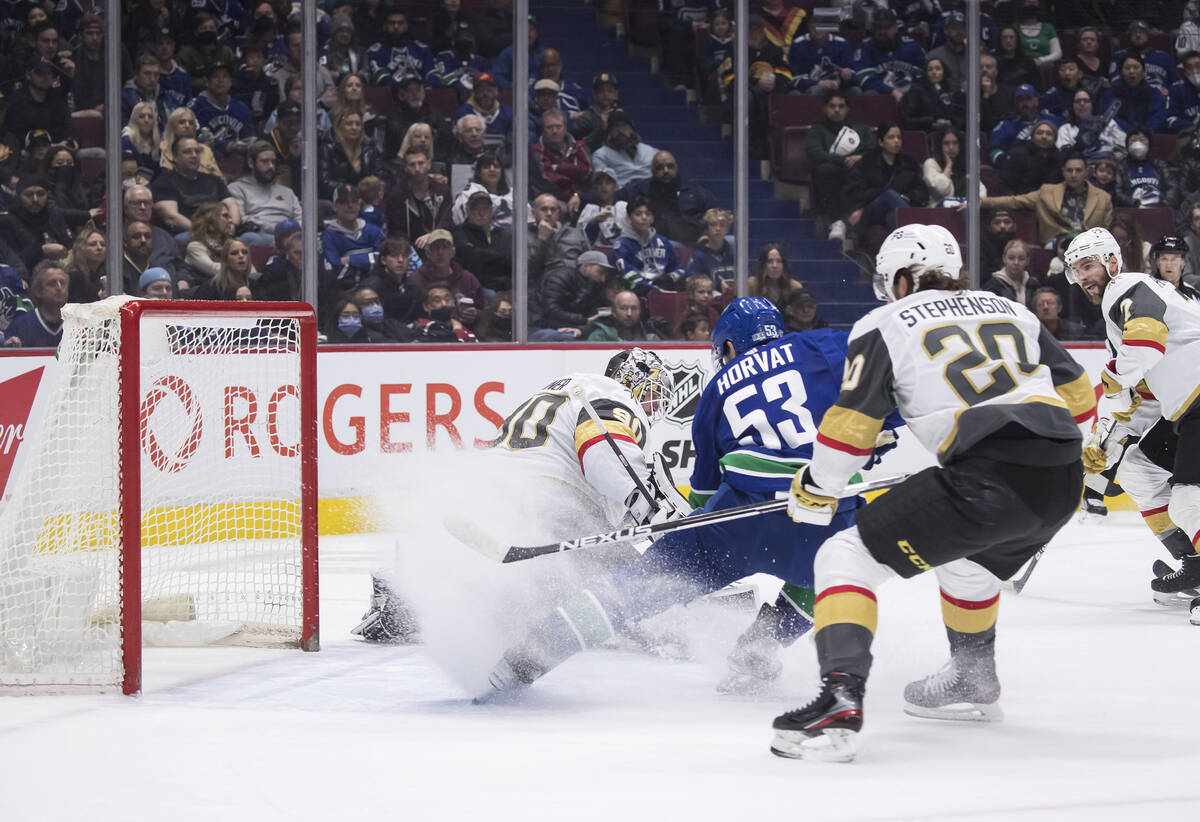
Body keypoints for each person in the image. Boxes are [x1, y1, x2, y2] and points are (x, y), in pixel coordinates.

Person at [772, 224, 1094, 762]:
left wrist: (816, 488)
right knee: (966, 563)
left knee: (843, 555)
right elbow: (1080, 398)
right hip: (1060, 477)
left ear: (901, 279)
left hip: (989, 478)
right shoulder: (1008, 307)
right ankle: (972, 678)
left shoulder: (884, 321)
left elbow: (852, 426)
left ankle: (838, 698)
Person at [478, 301, 898, 700]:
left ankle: (524, 660)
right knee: (837, 567)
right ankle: (760, 647)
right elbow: (890, 378)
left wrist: (684, 543)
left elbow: (702, 496)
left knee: (630, 590)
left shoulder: (716, 389)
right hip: (826, 505)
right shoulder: (820, 345)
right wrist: (884, 426)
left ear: (730, 346)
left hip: (740, 521)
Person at [1065, 227, 1200, 605]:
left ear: (1112, 260)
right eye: (1076, 271)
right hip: (1187, 409)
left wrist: (1113, 378)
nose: (1083, 277)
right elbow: (1142, 398)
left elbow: (1145, 344)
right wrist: (1105, 442)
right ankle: (1195, 563)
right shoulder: (1134, 302)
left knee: (1190, 500)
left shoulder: (1124, 287)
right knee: (1137, 469)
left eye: (1088, 265)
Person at [979, 153, 1113, 246]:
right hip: (1057, 244)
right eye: (1069, 170)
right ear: (1063, 172)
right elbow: (1015, 201)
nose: (1073, 175)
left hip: (1090, 246)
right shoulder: (1047, 192)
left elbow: (1107, 231)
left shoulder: (1103, 198)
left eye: (1078, 171)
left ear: (1086, 172)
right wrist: (979, 202)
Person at [806, 91, 878, 240]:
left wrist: (860, 158)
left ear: (847, 109)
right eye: (832, 106)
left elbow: (875, 152)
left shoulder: (862, 130)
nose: (837, 110)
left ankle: (853, 223)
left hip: (859, 173)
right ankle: (836, 222)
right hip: (832, 173)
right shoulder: (816, 131)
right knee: (824, 170)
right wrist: (844, 160)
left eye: (841, 106)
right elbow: (816, 153)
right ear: (825, 109)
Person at [844, 121, 927, 233]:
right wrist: (882, 193)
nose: (896, 141)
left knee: (892, 217)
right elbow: (857, 194)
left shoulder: (909, 164)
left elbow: (923, 192)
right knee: (890, 195)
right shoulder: (866, 163)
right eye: (891, 137)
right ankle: (917, 231)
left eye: (899, 137)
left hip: (901, 208)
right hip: (873, 211)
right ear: (881, 142)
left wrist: (906, 197)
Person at [619, 151, 714, 246]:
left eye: (670, 166)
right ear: (652, 171)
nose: (665, 171)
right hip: (651, 242)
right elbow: (614, 200)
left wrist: (706, 234)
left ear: (676, 168)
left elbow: (714, 214)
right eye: (659, 168)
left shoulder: (695, 191)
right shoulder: (640, 188)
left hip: (692, 241)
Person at [151, 136, 238, 234]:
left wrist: (231, 226)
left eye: (197, 151)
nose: (194, 155)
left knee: (251, 238)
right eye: (187, 152)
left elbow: (232, 206)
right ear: (175, 157)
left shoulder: (214, 179)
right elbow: (171, 217)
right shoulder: (164, 182)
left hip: (220, 230)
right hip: (190, 234)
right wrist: (202, 234)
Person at [228, 141, 302, 246]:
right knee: (249, 238)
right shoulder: (237, 188)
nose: (271, 166)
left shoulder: (287, 192)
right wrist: (277, 229)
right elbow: (241, 220)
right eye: (265, 162)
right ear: (251, 163)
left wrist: (291, 232)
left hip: (291, 237)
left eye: (273, 162)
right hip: (260, 234)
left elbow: (301, 218)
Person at [412, 229, 483, 328]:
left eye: (445, 247)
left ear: (453, 251)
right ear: (428, 253)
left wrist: (476, 314)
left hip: (464, 334)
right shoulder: (416, 280)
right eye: (435, 248)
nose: (440, 252)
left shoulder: (468, 279)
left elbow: (484, 311)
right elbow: (411, 315)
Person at [851, 8, 926, 102]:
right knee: (870, 94)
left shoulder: (912, 46)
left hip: (911, 95)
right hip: (881, 97)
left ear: (895, 28)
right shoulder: (865, 47)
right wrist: (891, 91)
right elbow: (864, 79)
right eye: (878, 28)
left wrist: (909, 91)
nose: (882, 32)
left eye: (886, 28)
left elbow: (923, 74)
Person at [322, 183, 384, 294]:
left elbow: (382, 261)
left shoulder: (374, 231)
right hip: (343, 294)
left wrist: (350, 259)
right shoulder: (328, 236)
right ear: (335, 206)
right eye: (343, 202)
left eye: (354, 201)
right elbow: (335, 270)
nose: (350, 206)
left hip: (377, 291)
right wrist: (368, 261)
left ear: (360, 204)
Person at [613, 197, 684, 294]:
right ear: (629, 218)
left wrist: (670, 278)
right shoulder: (622, 246)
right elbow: (630, 277)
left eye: (648, 214)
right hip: (637, 295)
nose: (644, 217)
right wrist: (655, 289)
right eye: (638, 214)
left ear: (653, 218)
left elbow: (679, 268)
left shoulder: (663, 242)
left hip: (668, 291)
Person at [536, 249, 613, 337]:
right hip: (544, 326)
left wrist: (581, 329)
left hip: (573, 327)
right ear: (585, 266)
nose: (603, 279)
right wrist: (583, 320)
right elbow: (551, 309)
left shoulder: (595, 286)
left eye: (605, 274)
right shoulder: (560, 278)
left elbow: (597, 315)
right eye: (600, 272)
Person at [450, 190, 512, 292]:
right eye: (476, 209)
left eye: (485, 209)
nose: (481, 213)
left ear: (491, 211)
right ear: (468, 210)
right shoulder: (458, 232)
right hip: (474, 290)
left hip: (504, 289)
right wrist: (501, 257)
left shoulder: (500, 233)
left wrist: (482, 254)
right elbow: (471, 258)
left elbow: (512, 262)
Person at [188, 61, 254, 158]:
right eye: (215, 77)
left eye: (225, 76)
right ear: (207, 82)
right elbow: (200, 136)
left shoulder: (241, 107)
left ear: (231, 82)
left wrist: (245, 145)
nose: (220, 80)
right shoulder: (196, 106)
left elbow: (250, 136)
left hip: (238, 157)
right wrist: (228, 146)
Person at [386, 146, 452, 241]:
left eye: (421, 163)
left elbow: (447, 222)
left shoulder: (442, 190)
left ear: (429, 164)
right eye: (412, 164)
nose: (417, 169)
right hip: (408, 249)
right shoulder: (397, 195)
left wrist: (432, 237)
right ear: (405, 167)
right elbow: (396, 232)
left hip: (437, 243)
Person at [2, 260, 69, 348]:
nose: (59, 288)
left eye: (63, 283)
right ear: (37, 291)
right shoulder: (21, 326)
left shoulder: (78, 324)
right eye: (52, 283)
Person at [319, 109, 383, 200]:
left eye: (358, 124)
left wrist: (373, 189)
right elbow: (324, 183)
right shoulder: (328, 149)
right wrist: (353, 190)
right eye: (349, 124)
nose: (354, 127)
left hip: (368, 199)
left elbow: (382, 178)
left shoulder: (370, 148)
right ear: (339, 127)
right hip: (339, 199)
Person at [530, 109, 590, 203]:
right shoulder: (537, 150)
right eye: (549, 127)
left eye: (558, 126)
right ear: (543, 130)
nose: (554, 131)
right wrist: (574, 178)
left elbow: (587, 173)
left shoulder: (578, 146)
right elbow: (547, 180)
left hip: (579, 196)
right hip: (551, 199)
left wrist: (559, 168)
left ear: (565, 128)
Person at [1100, 54, 1167, 136]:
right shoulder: (1111, 93)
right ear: (1121, 72)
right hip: (1118, 137)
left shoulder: (1155, 94)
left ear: (1144, 72)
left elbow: (1158, 119)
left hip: (1148, 137)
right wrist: (1128, 132)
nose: (1131, 71)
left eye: (1136, 68)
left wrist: (1144, 133)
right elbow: (1109, 117)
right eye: (1127, 68)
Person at [591, 111, 658, 188]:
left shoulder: (650, 151)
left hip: (651, 194)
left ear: (631, 129)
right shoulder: (600, 155)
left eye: (624, 126)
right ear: (609, 131)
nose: (620, 131)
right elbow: (602, 185)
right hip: (620, 196)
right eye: (616, 126)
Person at [1109, 20, 1178, 92]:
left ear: (1148, 36)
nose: (1138, 35)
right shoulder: (1119, 56)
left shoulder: (1164, 57)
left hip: (1161, 98)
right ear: (1129, 36)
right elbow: (1115, 82)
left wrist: (1168, 91)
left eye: (1142, 32)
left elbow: (1176, 83)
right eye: (1134, 32)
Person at [788, 22, 856, 96]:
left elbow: (854, 74)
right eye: (814, 24)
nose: (818, 29)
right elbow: (794, 79)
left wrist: (847, 75)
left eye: (822, 24)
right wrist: (818, 83)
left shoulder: (841, 43)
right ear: (808, 26)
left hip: (838, 86)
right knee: (815, 90)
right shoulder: (798, 44)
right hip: (809, 87)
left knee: (855, 91)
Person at [998, 119, 1062, 196]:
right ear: (1032, 137)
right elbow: (1005, 183)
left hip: (1049, 201)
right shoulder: (1017, 154)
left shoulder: (1060, 158)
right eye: (1039, 133)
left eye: (1049, 134)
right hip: (1020, 200)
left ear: (1055, 140)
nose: (1044, 136)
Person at [900, 58, 965, 133]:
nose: (934, 72)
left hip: (952, 133)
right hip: (927, 133)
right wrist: (932, 121)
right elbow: (906, 121)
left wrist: (952, 122)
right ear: (926, 73)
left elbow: (962, 118)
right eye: (930, 70)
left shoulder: (952, 91)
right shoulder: (916, 91)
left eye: (938, 69)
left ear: (944, 72)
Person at [159, 107, 224, 181]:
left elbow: (220, 180)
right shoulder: (161, 149)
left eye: (191, 123)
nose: (187, 125)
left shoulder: (206, 151)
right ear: (173, 126)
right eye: (181, 122)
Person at [403, 282, 477, 343]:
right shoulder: (420, 325)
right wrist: (457, 330)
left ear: (454, 303)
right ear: (426, 306)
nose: (444, 304)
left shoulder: (464, 330)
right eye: (437, 300)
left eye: (447, 299)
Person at [923, 126, 978, 206]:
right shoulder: (931, 164)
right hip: (938, 213)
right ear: (940, 146)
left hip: (963, 210)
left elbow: (980, 192)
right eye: (946, 143)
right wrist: (948, 166)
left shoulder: (966, 167)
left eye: (955, 143)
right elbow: (940, 190)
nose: (951, 147)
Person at [686, 208, 735, 296]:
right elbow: (692, 283)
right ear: (707, 228)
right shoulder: (699, 255)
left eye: (722, 225)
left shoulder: (734, 253)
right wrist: (717, 286)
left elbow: (747, 277)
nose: (718, 228)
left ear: (727, 229)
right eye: (713, 225)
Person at [454, 72, 513, 145]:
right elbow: (458, 142)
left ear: (496, 91)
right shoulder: (463, 113)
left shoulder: (508, 113)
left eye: (489, 90)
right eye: (481, 90)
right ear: (473, 93)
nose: (485, 94)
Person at [568, 72, 619, 153]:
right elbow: (579, 146)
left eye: (609, 91)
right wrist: (602, 128)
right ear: (594, 94)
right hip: (592, 161)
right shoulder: (585, 118)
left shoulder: (621, 115)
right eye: (601, 91)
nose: (605, 94)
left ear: (616, 94)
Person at [983, 238, 1042, 309]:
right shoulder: (993, 286)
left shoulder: (1034, 284)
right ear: (1004, 259)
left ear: (1027, 261)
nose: (1016, 262)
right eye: (1011, 258)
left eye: (1021, 259)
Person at [586, 289, 663, 342]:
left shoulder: (649, 337)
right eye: (624, 308)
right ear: (614, 311)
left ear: (640, 311)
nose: (629, 313)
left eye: (634, 308)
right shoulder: (599, 337)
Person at [748, 243, 801, 312]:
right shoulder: (752, 285)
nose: (774, 266)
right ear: (763, 265)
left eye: (779, 261)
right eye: (769, 261)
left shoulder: (794, 287)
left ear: (784, 265)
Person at [65, 226, 106, 303]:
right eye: (93, 244)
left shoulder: (103, 276)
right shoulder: (74, 276)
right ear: (82, 248)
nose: (99, 248)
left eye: (103, 244)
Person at [1166, 52, 1200, 135]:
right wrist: (1192, 128)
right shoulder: (1176, 90)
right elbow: (1170, 119)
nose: (1194, 71)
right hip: (1189, 136)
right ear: (1184, 72)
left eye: (1198, 66)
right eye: (1189, 68)